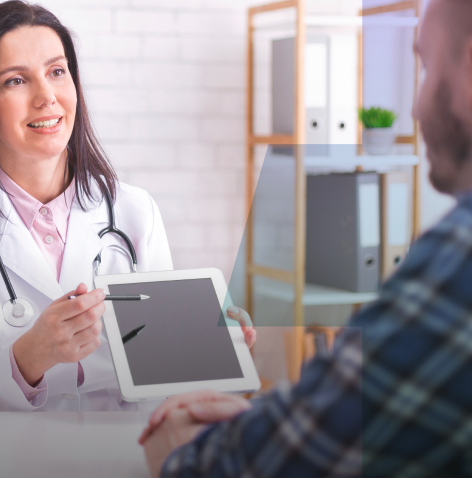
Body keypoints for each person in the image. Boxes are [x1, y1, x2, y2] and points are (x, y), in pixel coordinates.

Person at [138, 0, 472, 476]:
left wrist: (189, 447)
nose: (414, 107)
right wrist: (277, 423)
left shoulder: (459, 257)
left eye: (425, 65)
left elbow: (303, 448)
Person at [0, 0, 257, 413]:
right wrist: (28, 358)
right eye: (16, 81)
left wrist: (208, 351)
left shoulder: (134, 212)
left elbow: (165, 387)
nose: (46, 97)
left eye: (57, 72)